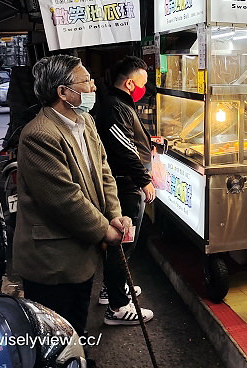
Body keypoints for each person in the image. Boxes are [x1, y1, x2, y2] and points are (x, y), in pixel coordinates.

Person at [13, 55, 153, 336]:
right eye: (86, 81)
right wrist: (106, 231)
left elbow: (104, 171)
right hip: (53, 260)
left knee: (77, 326)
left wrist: (115, 216)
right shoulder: (39, 135)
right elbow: (65, 200)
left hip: (80, 256)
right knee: (57, 337)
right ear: (63, 92)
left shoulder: (85, 121)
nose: (93, 87)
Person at [94, 56, 155, 308]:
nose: (144, 88)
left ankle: (116, 286)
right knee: (123, 242)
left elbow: (130, 140)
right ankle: (116, 303)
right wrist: (144, 180)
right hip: (125, 185)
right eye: (142, 83)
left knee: (124, 242)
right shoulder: (115, 106)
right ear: (130, 83)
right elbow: (124, 149)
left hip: (128, 182)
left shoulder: (121, 104)